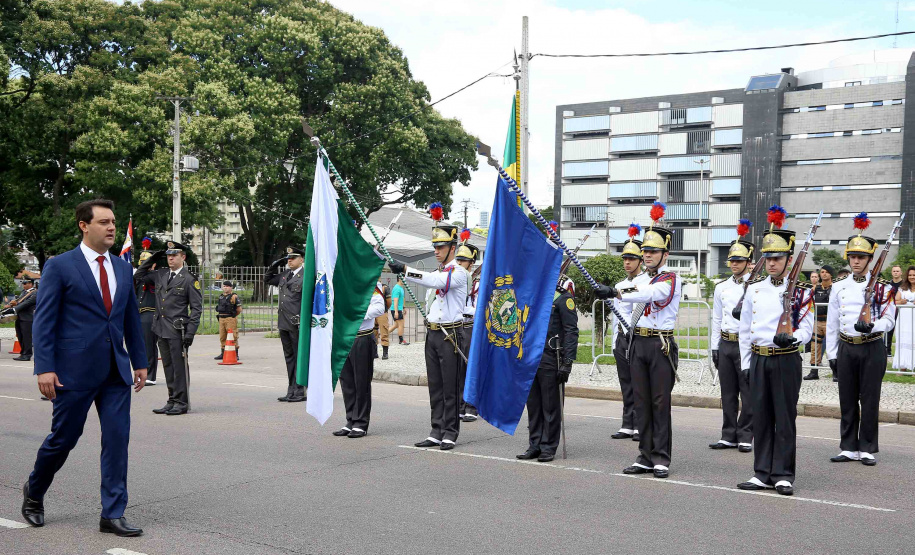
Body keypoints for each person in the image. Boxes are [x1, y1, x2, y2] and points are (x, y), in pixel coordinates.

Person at [21, 199, 147, 536]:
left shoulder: (122, 267)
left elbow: (130, 317)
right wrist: (43, 367)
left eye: (114, 223)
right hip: (72, 371)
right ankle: (34, 492)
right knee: (64, 438)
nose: (111, 228)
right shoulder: (61, 266)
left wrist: (140, 361)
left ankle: (112, 513)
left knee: (117, 439)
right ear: (84, 225)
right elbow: (43, 321)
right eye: (104, 222)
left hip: (115, 372)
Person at [596, 202, 681, 479]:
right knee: (641, 401)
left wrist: (617, 292)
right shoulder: (640, 280)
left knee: (659, 402)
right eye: (644, 251)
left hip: (660, 344)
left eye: (652, 251)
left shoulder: (670, 279)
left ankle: (661, 457)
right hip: (637, 343)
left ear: (664, 254)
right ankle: (644, 455)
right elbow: (632, 290)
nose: (646, 255)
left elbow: (649, 293)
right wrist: (611, 292)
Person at [737, 206, 814, 496]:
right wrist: (746, 363)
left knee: (784, 416)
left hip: (785, 360)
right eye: (767, 258)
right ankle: (761, 472)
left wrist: (793, 339)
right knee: (760, 416)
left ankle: (782, 474)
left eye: (777, 258)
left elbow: (806, 327)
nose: (771, 263)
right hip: (759, 358)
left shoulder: (801, 291)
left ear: (789, 259)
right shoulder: (754, 288)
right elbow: (745, 330)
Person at [388, 205, 468, 451]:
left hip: (450, 334)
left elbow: (436, 281)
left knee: (450, 386)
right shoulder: (439, 270)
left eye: (441, 247)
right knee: (435, 384)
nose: (436, 251)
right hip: (433, 333)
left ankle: (450, 432)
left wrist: (404, 269)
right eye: (434, 247)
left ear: (452, 248)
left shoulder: (459, 273)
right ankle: (436, 430)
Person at [825, 214, 896, 467]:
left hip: (872, 347)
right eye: (853, 257)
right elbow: (832, 323)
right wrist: (831, 355)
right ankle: (847, 446)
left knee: (869, 398)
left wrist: (872, 325)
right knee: (847, 398)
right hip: (846, 347)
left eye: (861, 257)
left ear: (870, 259)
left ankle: (866, 447)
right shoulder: (838, 286)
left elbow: (889, 319)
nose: (856, 261)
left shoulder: (883, 287)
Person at [133, 240, 203, 416]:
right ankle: (172, 399)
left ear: (183, 257)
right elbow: (138, 276)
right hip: (160, 327)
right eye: (168, 256)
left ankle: (181, 402)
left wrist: (190, 332)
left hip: (177, 329)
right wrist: (152, 258)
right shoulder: (161, 274)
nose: (170, 258)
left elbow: (196, 308)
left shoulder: (189, 279)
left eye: (174, 255)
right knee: (168, 366)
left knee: (179, 367)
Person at [517, 273, 578, 463]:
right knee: (533, 404)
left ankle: (548, 446)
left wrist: (567, 362)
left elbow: (571, 331)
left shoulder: (562, 298)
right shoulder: (531, 295)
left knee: (550, 405)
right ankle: (534, 444)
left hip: (551, 356)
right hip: (529, 356)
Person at [709, 220, 755, 453]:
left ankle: (746, 434)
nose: (734, 264)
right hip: (726, 342)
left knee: (747, 392)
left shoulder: (756, 286)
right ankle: (728, 434)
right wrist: (714, 348)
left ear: (749, 263)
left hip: (746, 344)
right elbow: (716, 319)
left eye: (739, 261)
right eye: (732, 260)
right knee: (727, 392)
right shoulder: (721, 287)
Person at [610, 224, 648, 441]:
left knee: (640, 384)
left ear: (640, 261)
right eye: (625, 258)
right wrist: (615, 341)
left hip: (640, 338)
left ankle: (640, 424)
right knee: (625, 381)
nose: (627, 262)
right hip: (623, 338)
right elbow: (617, 315)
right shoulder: (620, 284)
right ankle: (627, 423)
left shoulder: (645, 283)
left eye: (632, 259)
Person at [333, 281, 386, 438]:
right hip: (343, 337)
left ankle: (361, 423)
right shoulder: (341, 280)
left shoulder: (370, 282)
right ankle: (351, 420)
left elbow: (379, 307)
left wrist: (355, 315)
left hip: (361, 336)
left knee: (361, 381)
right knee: (347, 382)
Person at [264, 247, 306, 402]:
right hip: (283, 322)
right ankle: (291, 390)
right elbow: (267, 279)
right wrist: (276, 264)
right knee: (289, 357)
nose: (289, 260)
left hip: (297, 323)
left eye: (293, 258)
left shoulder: (307, 276)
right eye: (288, 258)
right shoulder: (285, 275)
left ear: (301, 259)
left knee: (298, 357)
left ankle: (300, 391)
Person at [454, 233, 480, 422]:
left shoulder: (477, 284)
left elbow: (478, 310)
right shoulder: (453, 279)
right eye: (459, 260)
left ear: (471, 263)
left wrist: (461, 308)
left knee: (470, 366)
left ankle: (471, 405)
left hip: (470, 328)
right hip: (454, 327)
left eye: (464, 261)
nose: (460, 264)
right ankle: (459, 405)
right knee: (455, 368)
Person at [804, 265, 835, 380]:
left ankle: (835, 372)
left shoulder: (835, 288)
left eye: (827, 272)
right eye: (822, 272)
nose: (824, 274)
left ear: (831, 274)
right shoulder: (815, 288)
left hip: (830, 321)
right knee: (815, 347)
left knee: (832, 346)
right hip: (817, 321)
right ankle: (814, 371)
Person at [135, 246, 159, 385]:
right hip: (139, 313)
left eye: (147, 262)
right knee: (141, 346)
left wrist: (149, 264)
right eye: (142, 262)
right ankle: (142, 373)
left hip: (150, 313)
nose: (144, 265)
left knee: (149, 346)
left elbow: (139, 275)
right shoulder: (140, 277)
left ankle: (151, 375)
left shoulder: (156, 275)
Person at [7, 277, 37, 361]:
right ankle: (23, 353)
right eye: (23, 283)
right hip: (20, 317)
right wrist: (11, 305)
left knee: (27, 337)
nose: (23, 285)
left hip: (28, 318)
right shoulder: (24, 292)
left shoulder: (34, 293)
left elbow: (26, 303)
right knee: (20, 336)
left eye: (25, 283)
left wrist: (14, 309)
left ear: (30, 283)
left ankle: (27, 354)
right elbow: (19, 301)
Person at [214, 280, 243, 361]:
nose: (225, 288)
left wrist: (233, 316)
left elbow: (239, 309)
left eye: (227, 286)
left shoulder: (234, 297)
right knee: (222, 336)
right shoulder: (221, 296)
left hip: (230, 318)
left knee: (233, 336)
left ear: (231, 287)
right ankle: (223, 353)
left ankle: (235, 353)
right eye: (224, 286)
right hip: (221, 318)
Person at [893, 266, 915, 372]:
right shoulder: (902, 288)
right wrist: (901, 301)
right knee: (903, 338)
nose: (912, 277)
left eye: (914, 275)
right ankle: (902, 366)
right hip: (904, 317)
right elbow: (895, 301)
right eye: (910, 275)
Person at [886, 264, 904, 357]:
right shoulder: (888, 285)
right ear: (892, 273)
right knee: (889, 330)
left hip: (902, 311)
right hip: (891, 310)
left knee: (902, 332)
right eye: (894, 271)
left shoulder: (905, 284)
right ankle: (887, 350)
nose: (896, 273)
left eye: (897, 271)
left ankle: (902, 352)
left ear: (901, 273)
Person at [388, 278, 409, 345]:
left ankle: (384, 334)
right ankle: (401, 340)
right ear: (399, 279)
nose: (405, 280)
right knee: (401, 325)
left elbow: (402, 299)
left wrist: (404, 307)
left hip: (399, 308)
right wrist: (396, 311)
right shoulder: (397, 288)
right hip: (396, 309)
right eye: (404, 279)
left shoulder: (401, 288)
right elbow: (395, 300)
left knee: (396, 325)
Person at [373, 281, 391, 360]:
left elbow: (389, 302)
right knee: (373, 332)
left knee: (384, 331)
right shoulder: (369, 285)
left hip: (382, 312)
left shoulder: (384, 287)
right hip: (372, 311)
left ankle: (385, 352)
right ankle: (374, 352)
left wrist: (385, 309)